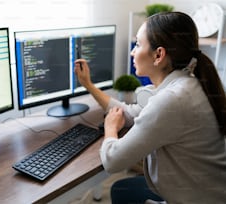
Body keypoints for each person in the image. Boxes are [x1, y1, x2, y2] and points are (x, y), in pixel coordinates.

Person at [74, 11, 226, 204]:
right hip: (207, 191)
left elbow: (113, 161)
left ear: (158, 55)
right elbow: (128, 113)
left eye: (137, 44)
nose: (132, 52)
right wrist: (88, 85)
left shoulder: (171, 100)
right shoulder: (187, 83)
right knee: (122, 188)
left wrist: (110, 128)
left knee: (121, 190)